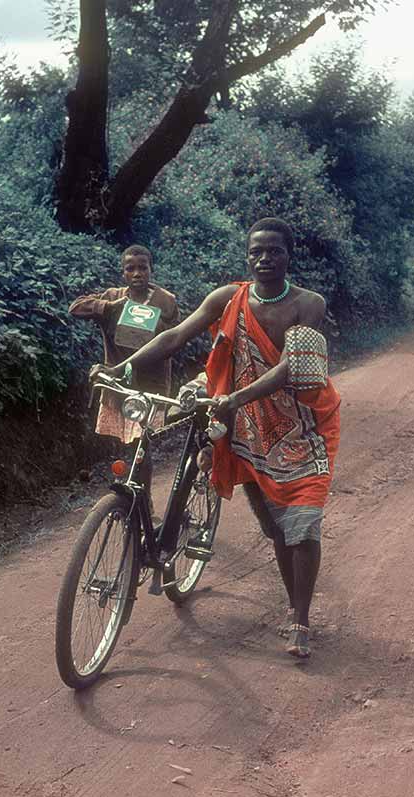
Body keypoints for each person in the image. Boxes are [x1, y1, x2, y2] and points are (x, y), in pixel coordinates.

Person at [91, 219, 340, 658]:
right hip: (243, 427)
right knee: (276, 527)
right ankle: (288, 599)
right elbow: (173, 334)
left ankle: (299, 616)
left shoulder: (309, 305)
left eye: (274, 252)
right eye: (256, 252)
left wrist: (236, 396)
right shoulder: (228, 298)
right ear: (247, 255)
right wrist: (122, 369)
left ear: (289, 255)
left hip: (299, 429)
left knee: (300, 524)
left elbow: (291, 367)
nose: (264, 259)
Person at [69, 244, 180, 513]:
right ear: (123, 273)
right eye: (130, 268)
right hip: (118, 385)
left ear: (151, 269)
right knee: (121, 443)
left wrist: (154, 326)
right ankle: (123, 495)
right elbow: (75, 308)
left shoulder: (166, 300)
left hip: (150, 386)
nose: (137, 273)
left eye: (142, 267)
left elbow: (177, 338)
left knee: (143, 446)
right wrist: (110, 307)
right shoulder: (114, 296)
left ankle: (145, 500)